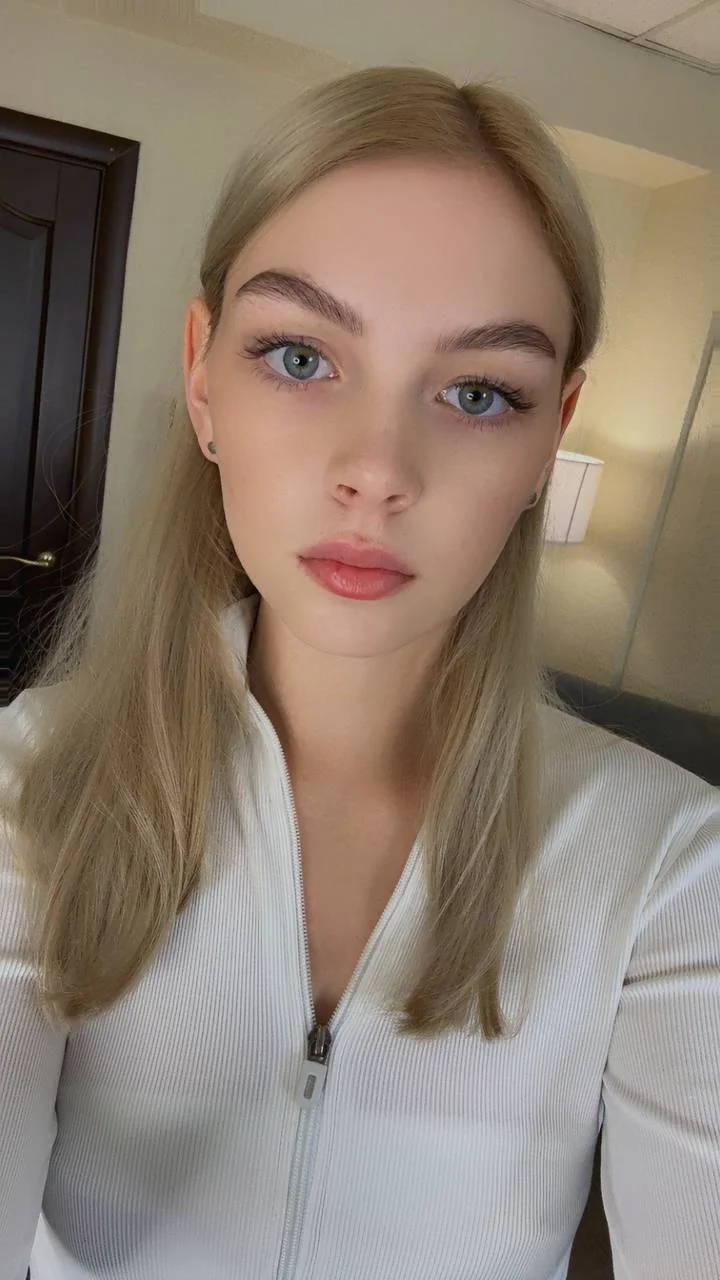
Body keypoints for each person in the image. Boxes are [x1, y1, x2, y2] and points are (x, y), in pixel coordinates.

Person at [1, 64, 718, 1280]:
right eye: (299, 356)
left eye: (479, 391)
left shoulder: (673, 865)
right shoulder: (28, 784)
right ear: (203, 377)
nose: (378, 469)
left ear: (549, 440)